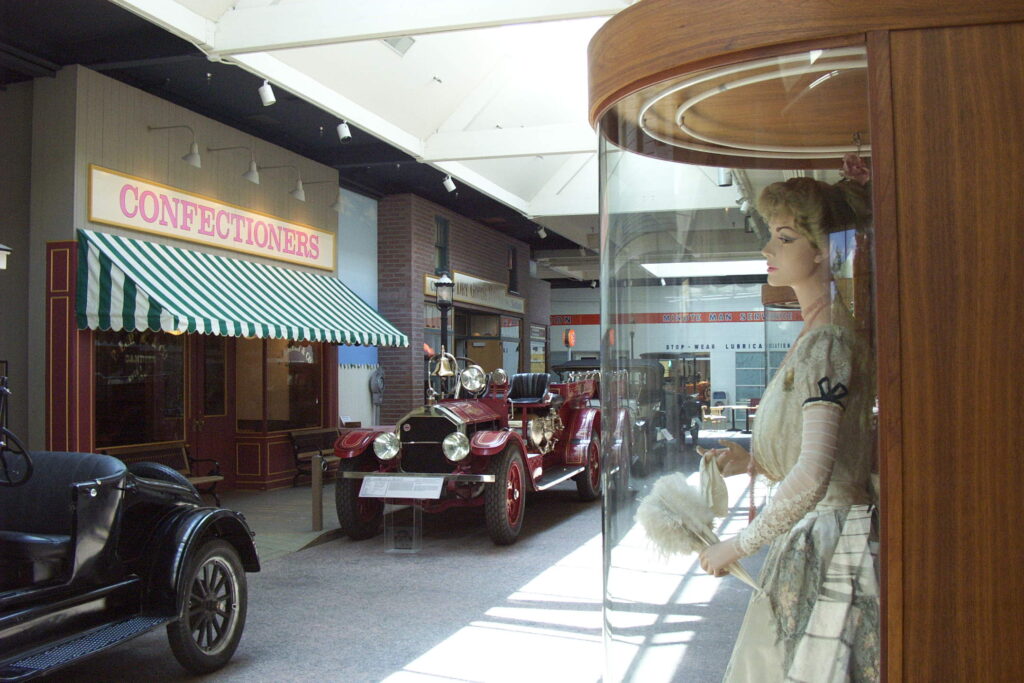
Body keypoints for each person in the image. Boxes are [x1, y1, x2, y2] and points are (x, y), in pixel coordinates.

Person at [698, 170, 879, 682]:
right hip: (819, 535)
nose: (767, 248)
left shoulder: (828, 344)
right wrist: (754, 461)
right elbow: (819, 455)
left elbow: (816, 476)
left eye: (785, 237)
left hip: (830, 542)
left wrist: (736, 545)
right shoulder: (815, 338)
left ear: (823, 250)